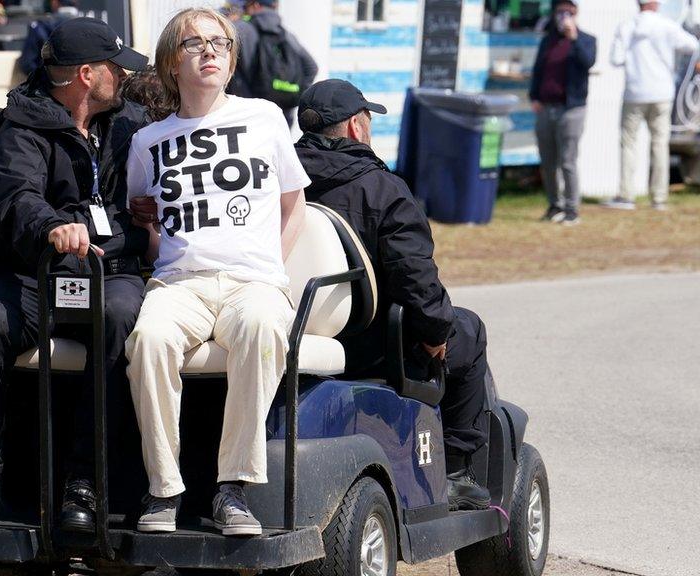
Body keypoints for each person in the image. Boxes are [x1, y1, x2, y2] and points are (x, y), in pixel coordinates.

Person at [0, 17, 150, 533]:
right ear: (85, 75)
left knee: (121, 316)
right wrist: (52, 225)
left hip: (108, 271)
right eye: (114, 69)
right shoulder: (19, 128)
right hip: (31, 273)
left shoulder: (131, 125)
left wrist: (147, 214)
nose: (123, 78)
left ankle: (86, 485)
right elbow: (14, 197)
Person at [123, 8, 309, 536]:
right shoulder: (147, 141)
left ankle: (234, 490)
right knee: (149, 340)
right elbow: (144, 213)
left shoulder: (266, 118)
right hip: (179, 283)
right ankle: (164, 489)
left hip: (254, 282)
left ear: (231, 62)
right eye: (195, 43)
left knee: (262, 328)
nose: (210, 51)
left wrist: (270, 265)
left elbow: (294, 205)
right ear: (170, 63)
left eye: (220, 43)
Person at [293, 79, 493, 512]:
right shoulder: (382, 189)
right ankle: (456, 469)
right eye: (366, 119)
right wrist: (435, 332)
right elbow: (415, 278)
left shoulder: (277, 183)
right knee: (468, 331)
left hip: (296, 332)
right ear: (354, 128)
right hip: (375, 346)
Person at [607, 0, 699, 211]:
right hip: (662, 92)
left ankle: (626, 195)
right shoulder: (667, 26)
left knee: (629, 143)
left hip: (635, 92)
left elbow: (615, 58)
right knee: (659, 145)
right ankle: (659, 198)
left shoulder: (627, 26)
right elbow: (692, 45)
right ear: (656, 4)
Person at [529, 0, 596, 225]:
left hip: (571, 109)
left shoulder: (586, 40)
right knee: (548, 161)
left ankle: (572, 208)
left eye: (568, 11)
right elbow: (538, 71)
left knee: (567, 161)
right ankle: (554, 205)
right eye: (560, 11)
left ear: (575, 13)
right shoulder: (548, 41)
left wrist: (573, 37)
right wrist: (534, 97)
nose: (563, 16)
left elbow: (588, 62)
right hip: (546, 108)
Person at [228, 0, 318, 126]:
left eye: (245, 7)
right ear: (274, 6)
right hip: (282, 117)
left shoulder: (238, 29)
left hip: (246, 116)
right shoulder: (286, 34)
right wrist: (295, 96)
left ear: (255, 5)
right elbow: (312, 67)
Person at [18, 0, 80, 77]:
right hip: (81, 85)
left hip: (48, 85)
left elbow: (27, 64)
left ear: (54, 2)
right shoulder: (89, 27)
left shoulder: (40, 26)